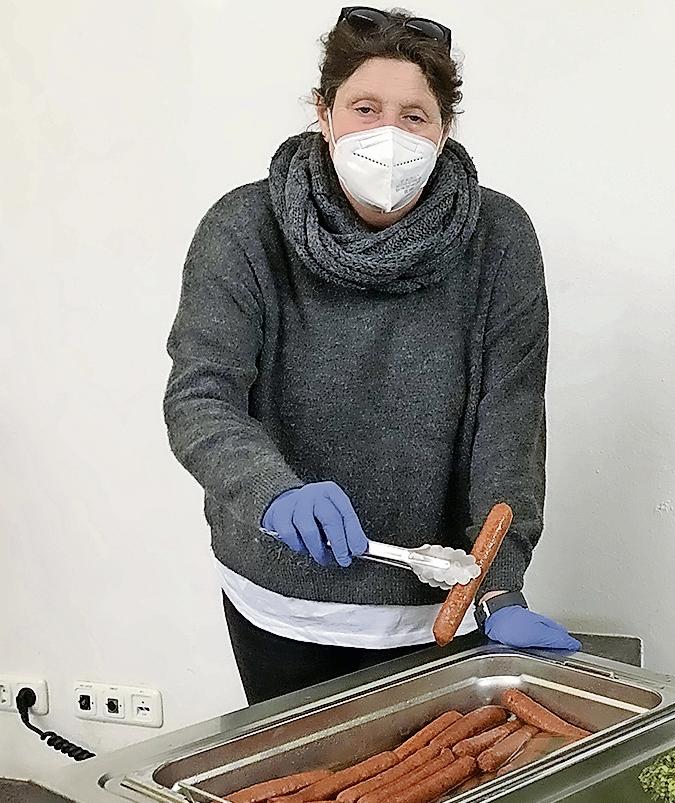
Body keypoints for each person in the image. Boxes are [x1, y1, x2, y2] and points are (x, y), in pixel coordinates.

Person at [164, 7, 579, 706]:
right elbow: (200, 397)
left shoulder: (500, 238)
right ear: (323, 114)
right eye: (365, 107)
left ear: (446, 129)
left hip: (439, 609)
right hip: (280, 602)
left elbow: (507, 426)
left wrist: (501, 584)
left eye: (414, 115)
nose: (388, 133)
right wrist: (275, 491)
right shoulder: (243, 228)